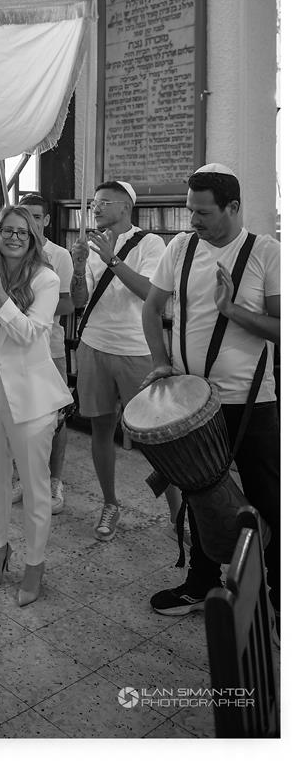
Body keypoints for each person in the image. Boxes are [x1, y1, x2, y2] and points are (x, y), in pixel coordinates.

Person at [140, 164, 280, 622]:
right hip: (192, 404)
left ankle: (278, 594)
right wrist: (161, 362)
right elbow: (152, 308)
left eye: (203, 212)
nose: (192, 220)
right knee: (200, 493)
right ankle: (202, 583)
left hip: (249, 401)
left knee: (267, 497)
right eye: (190, 210)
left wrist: (232, 310)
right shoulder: (180, 247)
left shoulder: (266, 252)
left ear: (233, 207)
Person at [0, 205, 73, 606]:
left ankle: (34, 564)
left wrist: (2, 300)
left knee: (35, 485)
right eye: (6, 230)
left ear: (32, 239)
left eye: (22, 232)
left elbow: (28, 334)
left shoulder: (46, 279)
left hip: (32, 397)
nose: (13, 237)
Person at [70, 181, 166, 541]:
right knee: (101, 429)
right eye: (94, 203)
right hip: (94, 344)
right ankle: (110, 503)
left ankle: (177, 514)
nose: (96, 208)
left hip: (136, 348)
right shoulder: (91, 244)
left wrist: (112, 258)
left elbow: (149, 292)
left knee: (157, 437)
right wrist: (79, 268)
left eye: (104, 202)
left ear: (126, 207)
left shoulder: (150, 243)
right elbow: (79, 300)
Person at [18, 193, 74, 512]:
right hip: (17, 346)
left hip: (49, 347)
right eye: (25, 217)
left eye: (37, 217)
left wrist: (37, 297)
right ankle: (23, 476)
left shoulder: (59, 255)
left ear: (47, 220)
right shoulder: (11, 250)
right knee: (20, 413)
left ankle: (55, 479)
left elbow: (68, 304)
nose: (31, 224)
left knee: (55, 418)